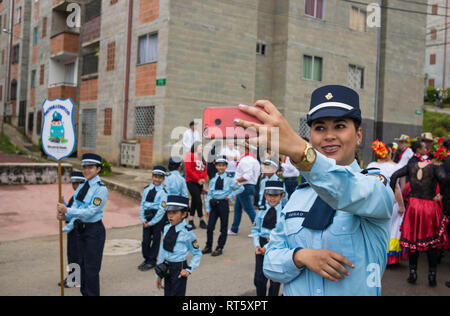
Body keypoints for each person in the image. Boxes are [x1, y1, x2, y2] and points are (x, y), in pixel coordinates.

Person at [235, 85, 395, 296]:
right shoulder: (297, 198)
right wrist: (299, 257)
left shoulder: (374, 187)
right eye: (319, 128)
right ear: (310, 135)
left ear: (358, 135)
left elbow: (347, 191)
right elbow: (270, 264)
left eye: (339, 126)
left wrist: (303, 154)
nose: (328, 136)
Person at [390, 140, 448, 287]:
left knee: (413, 243)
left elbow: (394, 176)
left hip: (414, 206)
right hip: (429, 206)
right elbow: (445, 179)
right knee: (432, 243)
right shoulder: (435, 168)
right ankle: (432, 275)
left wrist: (392, 194)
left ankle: (413, 274)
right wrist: (441, 194)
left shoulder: (411, 165)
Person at [56, 153, 108, 296]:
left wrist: (68, 210)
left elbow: (90, 212)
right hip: (80, 229)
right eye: (84, 167)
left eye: (90, 167)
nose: (86, 170)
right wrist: (65, 215)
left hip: (93, 231)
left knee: (91, 270)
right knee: (82, 267)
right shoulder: (82, 185)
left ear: (98, 169)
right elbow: (77, 206)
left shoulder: (100, 189)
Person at [367, 140, 407, 265]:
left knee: (377, 227)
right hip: (392, 202)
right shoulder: (395, 167)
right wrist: (401, 205)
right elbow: (397, 188)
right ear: (389, 154)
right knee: (391, 228)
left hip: (376, 202)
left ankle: (377, 253)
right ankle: (389, 257)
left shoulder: (370, 165)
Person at [155, 195, 202, 296]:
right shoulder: (167, 228)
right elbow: (163, 251)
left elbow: (197, 253)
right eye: (169, 212)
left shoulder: (187, 232)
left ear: (184, 214)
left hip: (179, 270)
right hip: (166, 268)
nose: (170, 216)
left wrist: (189, 269)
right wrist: (158, 274)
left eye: (174, 212)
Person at [203, 155, 244, 256]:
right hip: (213, 204)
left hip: (223, 204)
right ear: (216, 166)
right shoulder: (213, 180)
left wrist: (230, 196)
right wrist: (207, 208)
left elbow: (241, 188)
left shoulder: (230, 179)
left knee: (223, 227)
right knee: (210, 227)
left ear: (226, 167)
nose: (221, 167)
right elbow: (209, 194)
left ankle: (220, 247)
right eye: (219, 165)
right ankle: (208, 246)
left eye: (223, 165)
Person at [251, 180, 284, 296]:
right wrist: (257, 245)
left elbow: (281, 234)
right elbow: (255, 230)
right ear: (265, 195)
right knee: (259, 279)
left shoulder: (284, 213)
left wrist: (267, 247)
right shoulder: (261, 210)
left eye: (276, 195)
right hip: (261, 245)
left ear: (282, 195)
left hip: (276, 246)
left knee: (275, 280)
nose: (272, 198)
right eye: (270, 195)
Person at [58, 171, 86, 289]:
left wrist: (65, 212)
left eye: (76, 183)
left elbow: (75, 214)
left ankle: (75, 279)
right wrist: (64, 204)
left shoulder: (82, 196)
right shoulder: (75, 195)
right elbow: (70, 209)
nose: (74, 186)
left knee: (75, 255)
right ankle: (72, 277)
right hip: (72, 229)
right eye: (73, 183)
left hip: (76, 229)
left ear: (82, 183)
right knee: (71, 254)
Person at [138, 166, 168, 271]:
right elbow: (142, 204)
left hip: (157, 218)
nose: (157, 179)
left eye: (160, 177)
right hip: (146, 217)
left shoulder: (164, 192)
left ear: (163, 179)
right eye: (155, 176)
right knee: (145, 240)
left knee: (155, 239)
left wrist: (152, 222)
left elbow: (161, 210)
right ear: (152, 176)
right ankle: (146, 258)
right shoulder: (147, 189)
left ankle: (152, 260)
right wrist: (142, 219)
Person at [228, 143, 261, 236]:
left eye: (240, 147)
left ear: (245, 149)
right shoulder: (253, 159)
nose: (239, 149)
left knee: (249, 209)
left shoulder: (246, 160)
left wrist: (234, 181)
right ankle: (234, 229)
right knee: (237, 208)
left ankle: (258, 230)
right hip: (247, 186)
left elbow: (247, 176)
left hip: (244, 186)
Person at [184, 141, 208, 229]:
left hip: (200, 182)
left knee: (195, 200)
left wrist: (204, 179)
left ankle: (191, 220)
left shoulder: (201, 157)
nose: (202, 148)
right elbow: (189, 170)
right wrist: (197, 179)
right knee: (198, 200)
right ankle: (201, 219)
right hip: (191, 181)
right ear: (195, 147)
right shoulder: (189, 155)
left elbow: (205, 169)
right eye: (200, 146)